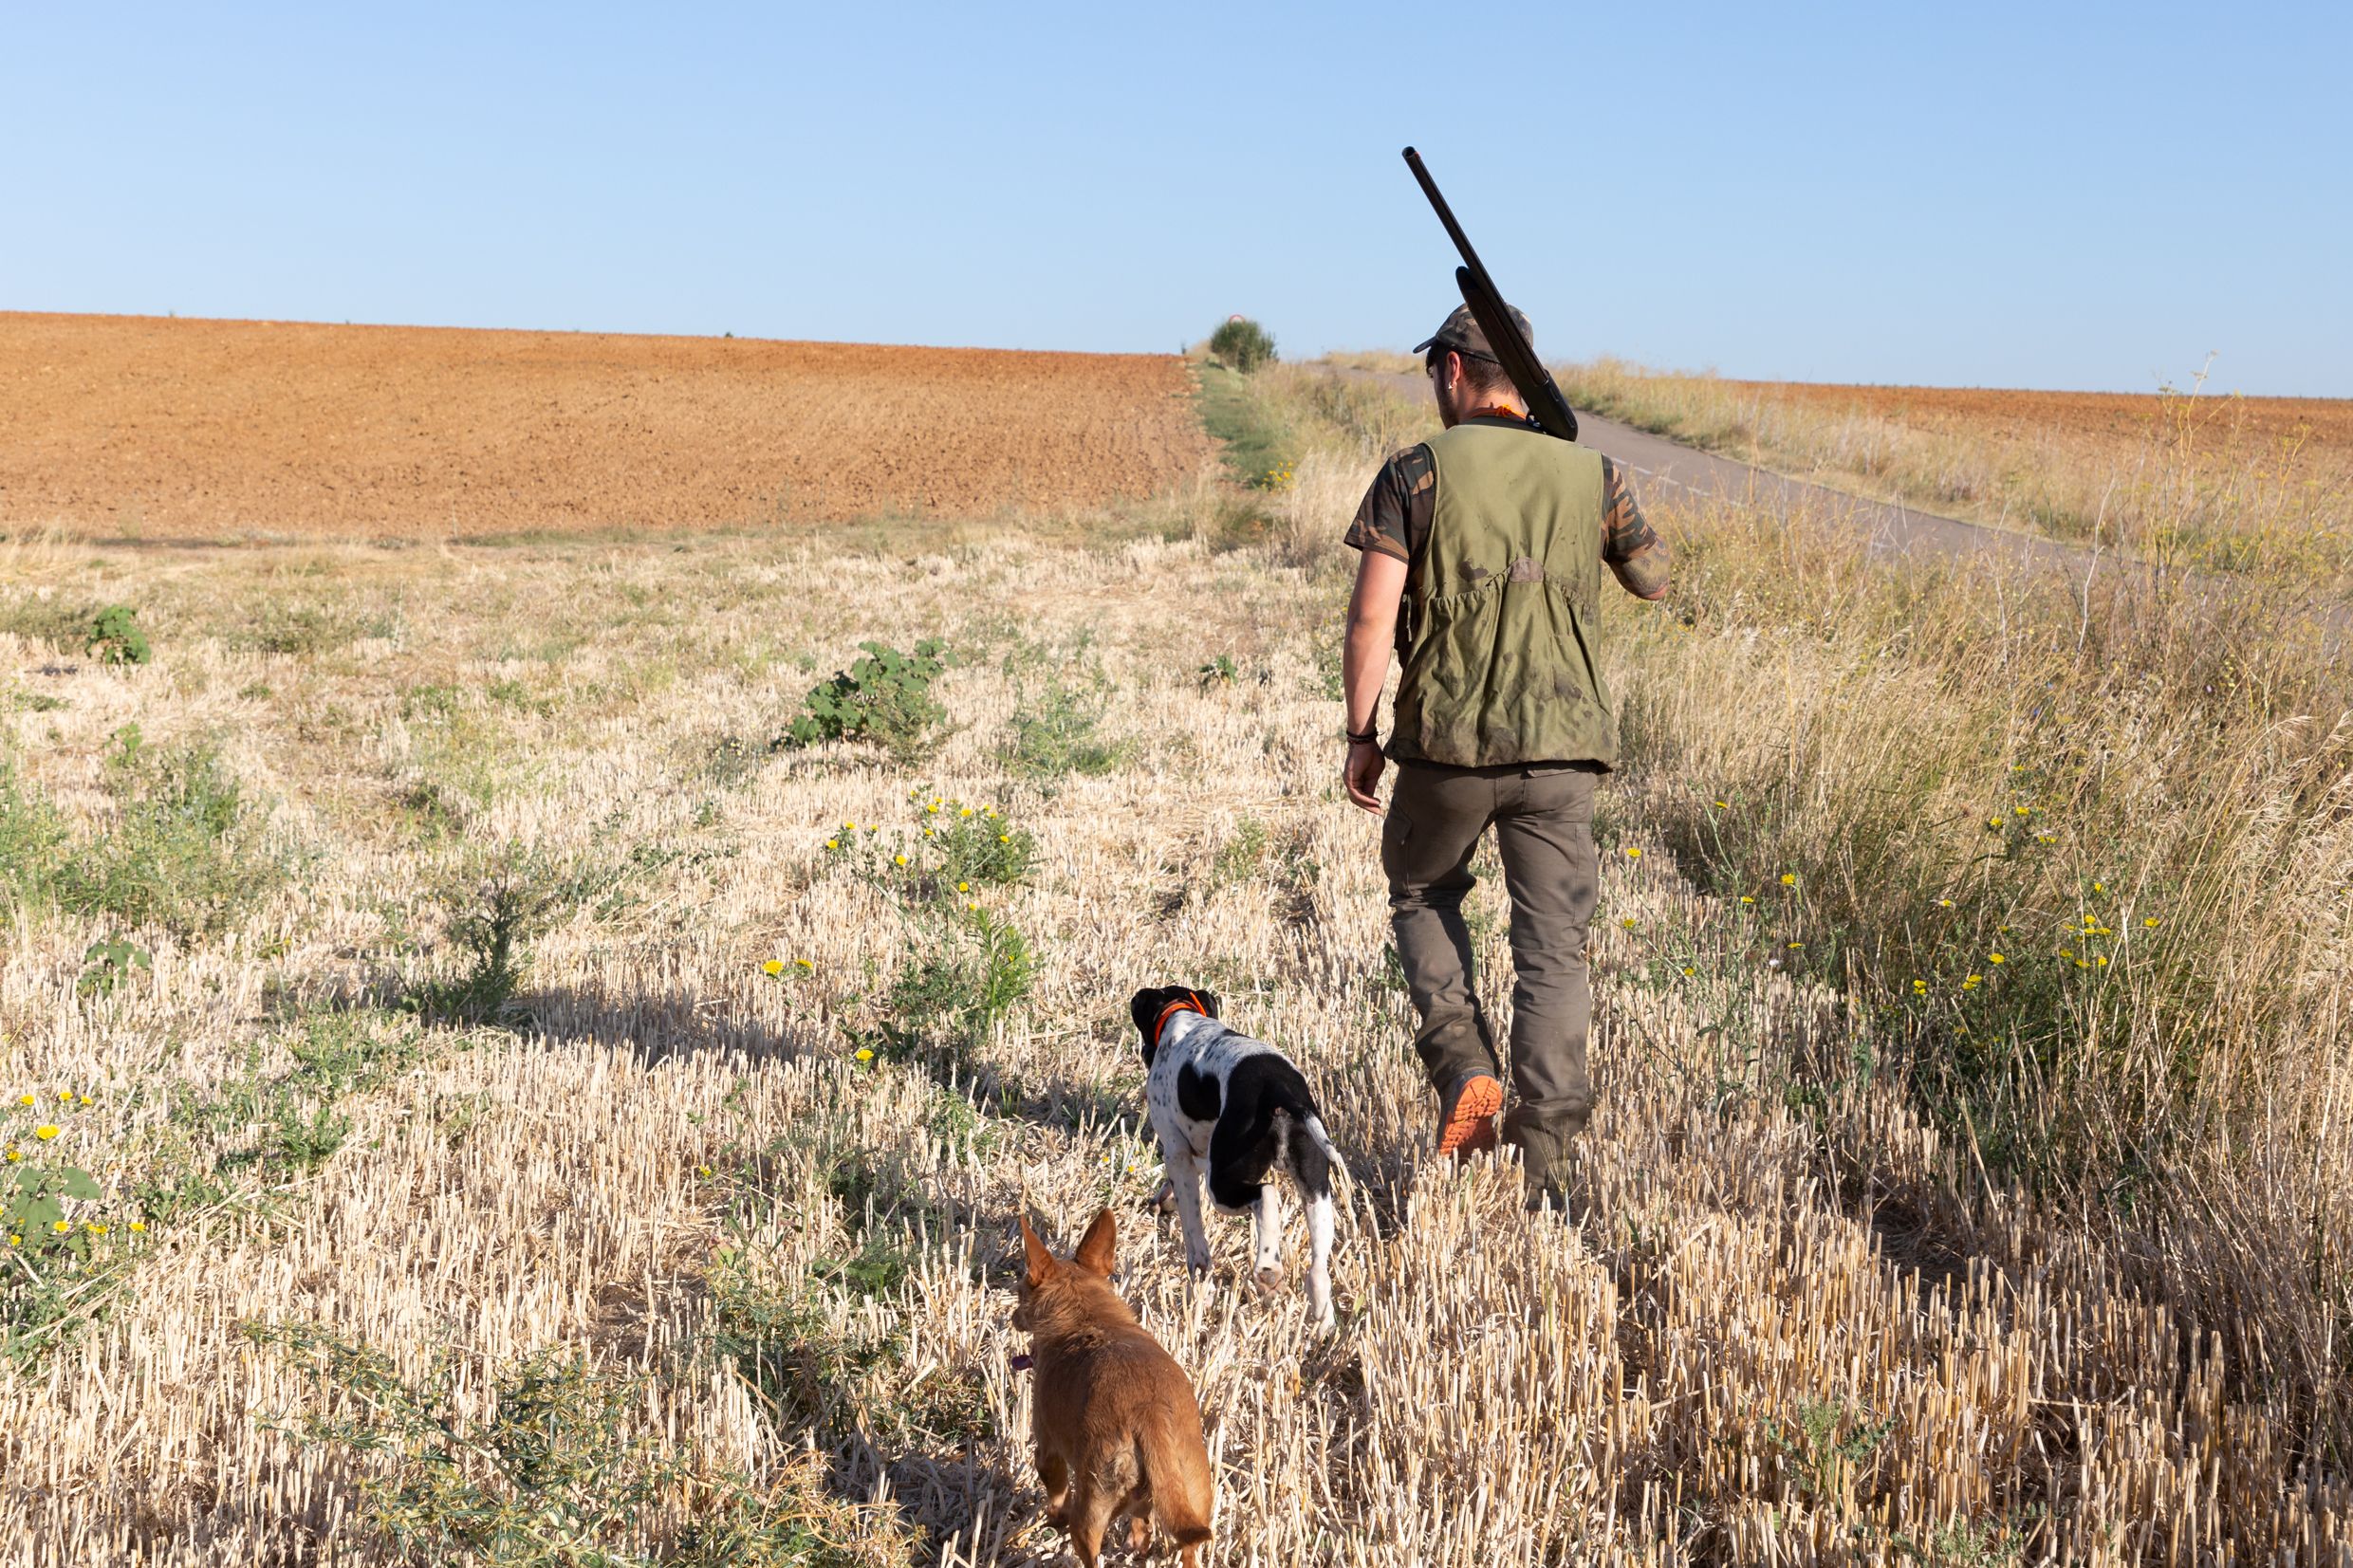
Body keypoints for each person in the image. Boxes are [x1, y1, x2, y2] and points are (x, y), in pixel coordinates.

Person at [1339, 303, 1670, 1210]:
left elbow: (1372, 618)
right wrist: (1575, 472)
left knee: (1421, 892)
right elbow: (1653, 575)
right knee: (1554, 950)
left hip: (1447, 749)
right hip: (1564, 752)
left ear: (1452, 370)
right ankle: (1548, 1154)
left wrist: (1362, 734)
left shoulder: (1414, 473)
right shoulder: (1591, 474)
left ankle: (1463, 1068)